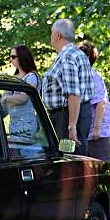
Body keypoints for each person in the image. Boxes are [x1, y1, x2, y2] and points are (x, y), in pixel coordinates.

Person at [42, 18, 94, 154]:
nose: (51, 36)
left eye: (52, 32)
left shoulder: (67, 56)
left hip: (68, 116)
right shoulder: (77, 54)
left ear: (57, 35)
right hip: (74, 114)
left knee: (69, 160)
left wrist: (72, 126)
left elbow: (74, 94)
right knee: (74, 157)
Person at [78, 41, 110, 162]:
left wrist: (96, 128)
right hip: (87, 131)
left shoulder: (92, 76)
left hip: (98, 132)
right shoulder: (81, 76)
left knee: (102, 166)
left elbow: (101, 103)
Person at [1, 44, 41, 137]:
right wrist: (8, 99)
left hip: (26, 123)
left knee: (24, 150)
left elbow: (23, 98)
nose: (10, 60)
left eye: (13, 57)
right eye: (10, 57)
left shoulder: (31, 77)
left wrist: (7, 99)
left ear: (22, 57)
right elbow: (4, 102)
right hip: (13, 123)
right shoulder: (14, 78)